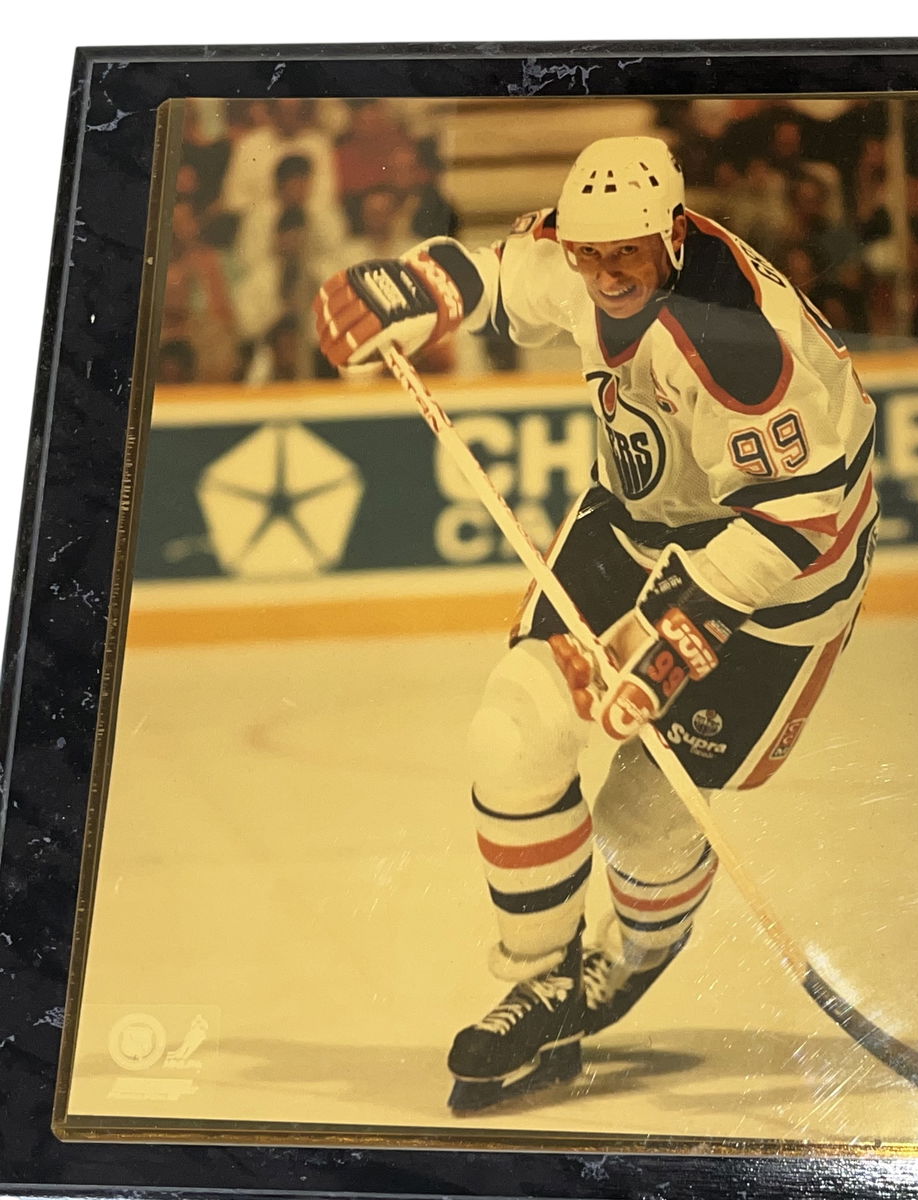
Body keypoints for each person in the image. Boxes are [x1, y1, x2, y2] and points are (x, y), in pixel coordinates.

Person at [314, 136, 878, 1112]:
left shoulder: (734, 339)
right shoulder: (579, 258)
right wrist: (409, 289)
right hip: (635, 519)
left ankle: (627, 963)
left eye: (626, 253)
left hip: (785, 573)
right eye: (588, 253)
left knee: (637, 814)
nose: (605, 273)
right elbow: (494, 272)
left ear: (672, 233)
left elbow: (807, 514)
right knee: (514, 726)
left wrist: (682, 627)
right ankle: (540, 978)